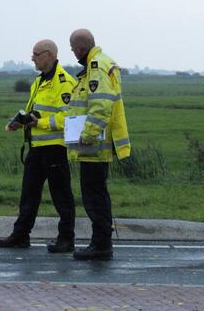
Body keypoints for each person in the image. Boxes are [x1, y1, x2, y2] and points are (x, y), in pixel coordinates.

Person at [0, 39, 77, 253]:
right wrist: (20, 122)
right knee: (28, 194)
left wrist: (39, 123)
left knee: (62, 196)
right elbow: (35, 111)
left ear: (49, 55)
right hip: (37, 147)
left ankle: (66, 239)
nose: (32, 58)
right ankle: (21, 235)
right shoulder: (39, 81)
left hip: (55, 148)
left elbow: (69, 116)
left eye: (36, 54)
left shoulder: (64, 82)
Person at [67, 29, 131, 260]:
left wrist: (89, 134)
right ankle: (101, 243)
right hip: (97, 143)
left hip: (95, 145)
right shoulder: (101, 62)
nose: (72, 52)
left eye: (73, 48)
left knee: (94, 196)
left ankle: (101, 245)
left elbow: (101, 105)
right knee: (97, 194)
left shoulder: (96, 67)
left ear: (81, 48)